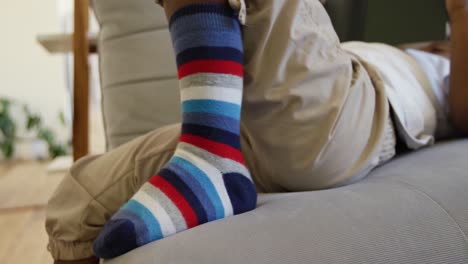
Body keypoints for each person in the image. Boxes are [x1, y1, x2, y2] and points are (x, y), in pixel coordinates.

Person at [46, 0, 468, 263]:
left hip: (345, 115)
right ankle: (208, 155)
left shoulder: (443, 63)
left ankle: (207, 158)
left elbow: (463, 112)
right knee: (77, 197)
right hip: (234, 124)